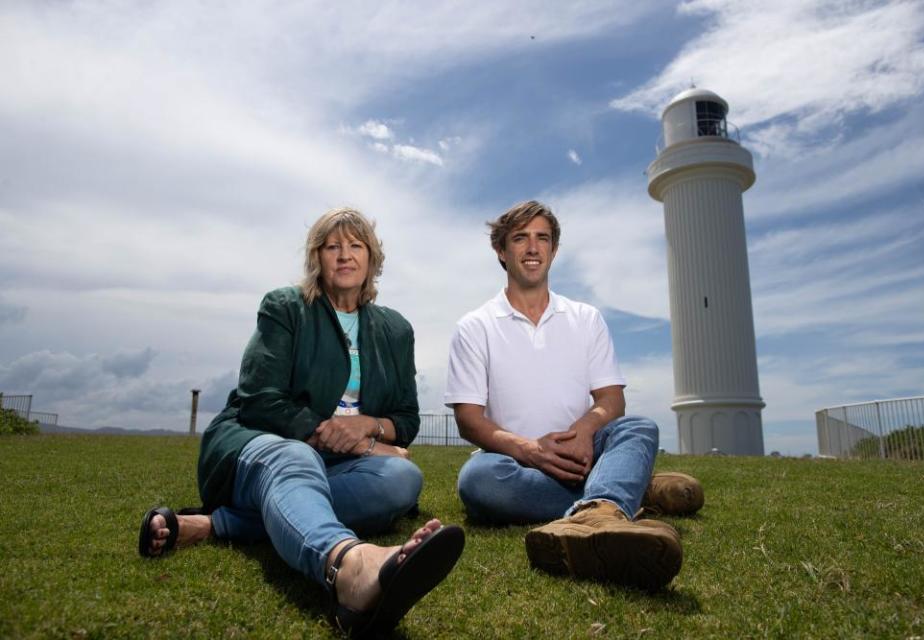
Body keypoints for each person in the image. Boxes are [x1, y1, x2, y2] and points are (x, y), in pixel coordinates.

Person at [139, 207, 464, 638]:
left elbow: (404, 419)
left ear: (372, 257)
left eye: (355, 245)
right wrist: (356, 444)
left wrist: (368, 427)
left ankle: (217, 525)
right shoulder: (285, 307)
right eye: (332, 246)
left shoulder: (396, 329)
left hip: (339, 465)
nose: (344, 255)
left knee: (403, 478)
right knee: (296, 457)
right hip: (260, 444)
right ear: (317, 257)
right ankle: (349, 567)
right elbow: (260, 399)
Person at [444, 200, 702, 590]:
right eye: (520, 239)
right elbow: (469, 419)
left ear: (554, 249)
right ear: (501, 250)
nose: (533, 248)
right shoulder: (474, 326)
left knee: (638, 428)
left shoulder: (586, 318)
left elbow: (612, 400)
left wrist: (585, 429)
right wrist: (530, 450)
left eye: (542, 238)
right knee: (478, 482)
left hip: (585, 452)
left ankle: (601, 504)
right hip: (515, 461)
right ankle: (626, 494)